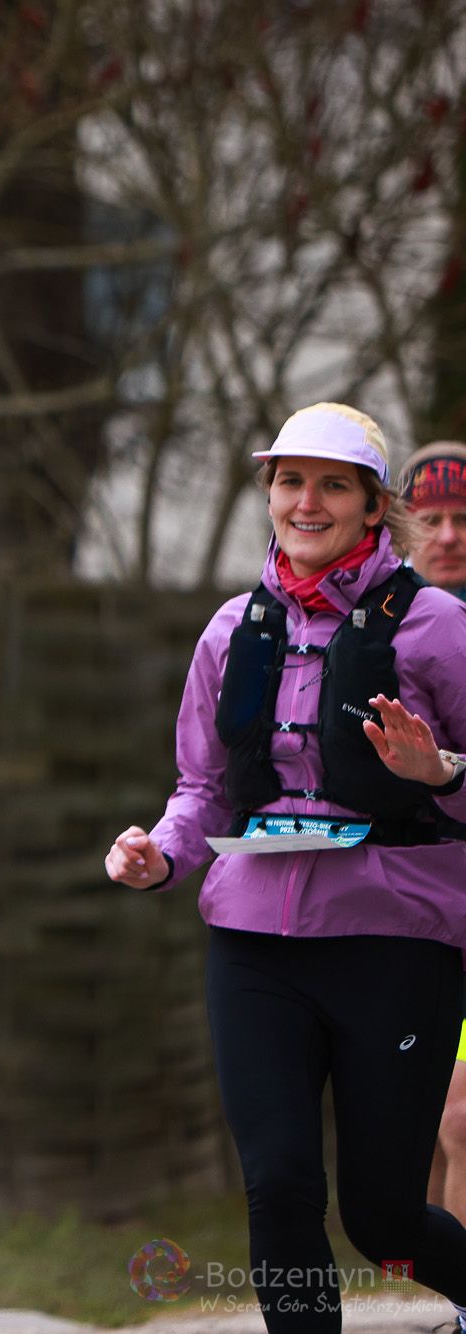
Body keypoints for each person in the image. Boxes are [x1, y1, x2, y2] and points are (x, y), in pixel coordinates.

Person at [106, 403, 466, 1333]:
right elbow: (201, 788)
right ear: (269, 494)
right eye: (290, 481)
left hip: (395, 946)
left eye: (334, 485)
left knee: (383, 1219)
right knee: (278, 1186)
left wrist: (440, 774)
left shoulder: (440, 628)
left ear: (373, 506)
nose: (308, 502)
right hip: (253, 945)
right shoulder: (233, 629)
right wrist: (159, 855)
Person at [406, 443, 466, 1263]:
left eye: (463, 519)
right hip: (415, 913)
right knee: (436, 1121)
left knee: (459, 1117)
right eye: (431, 519)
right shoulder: (368, 630)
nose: (448, 535)